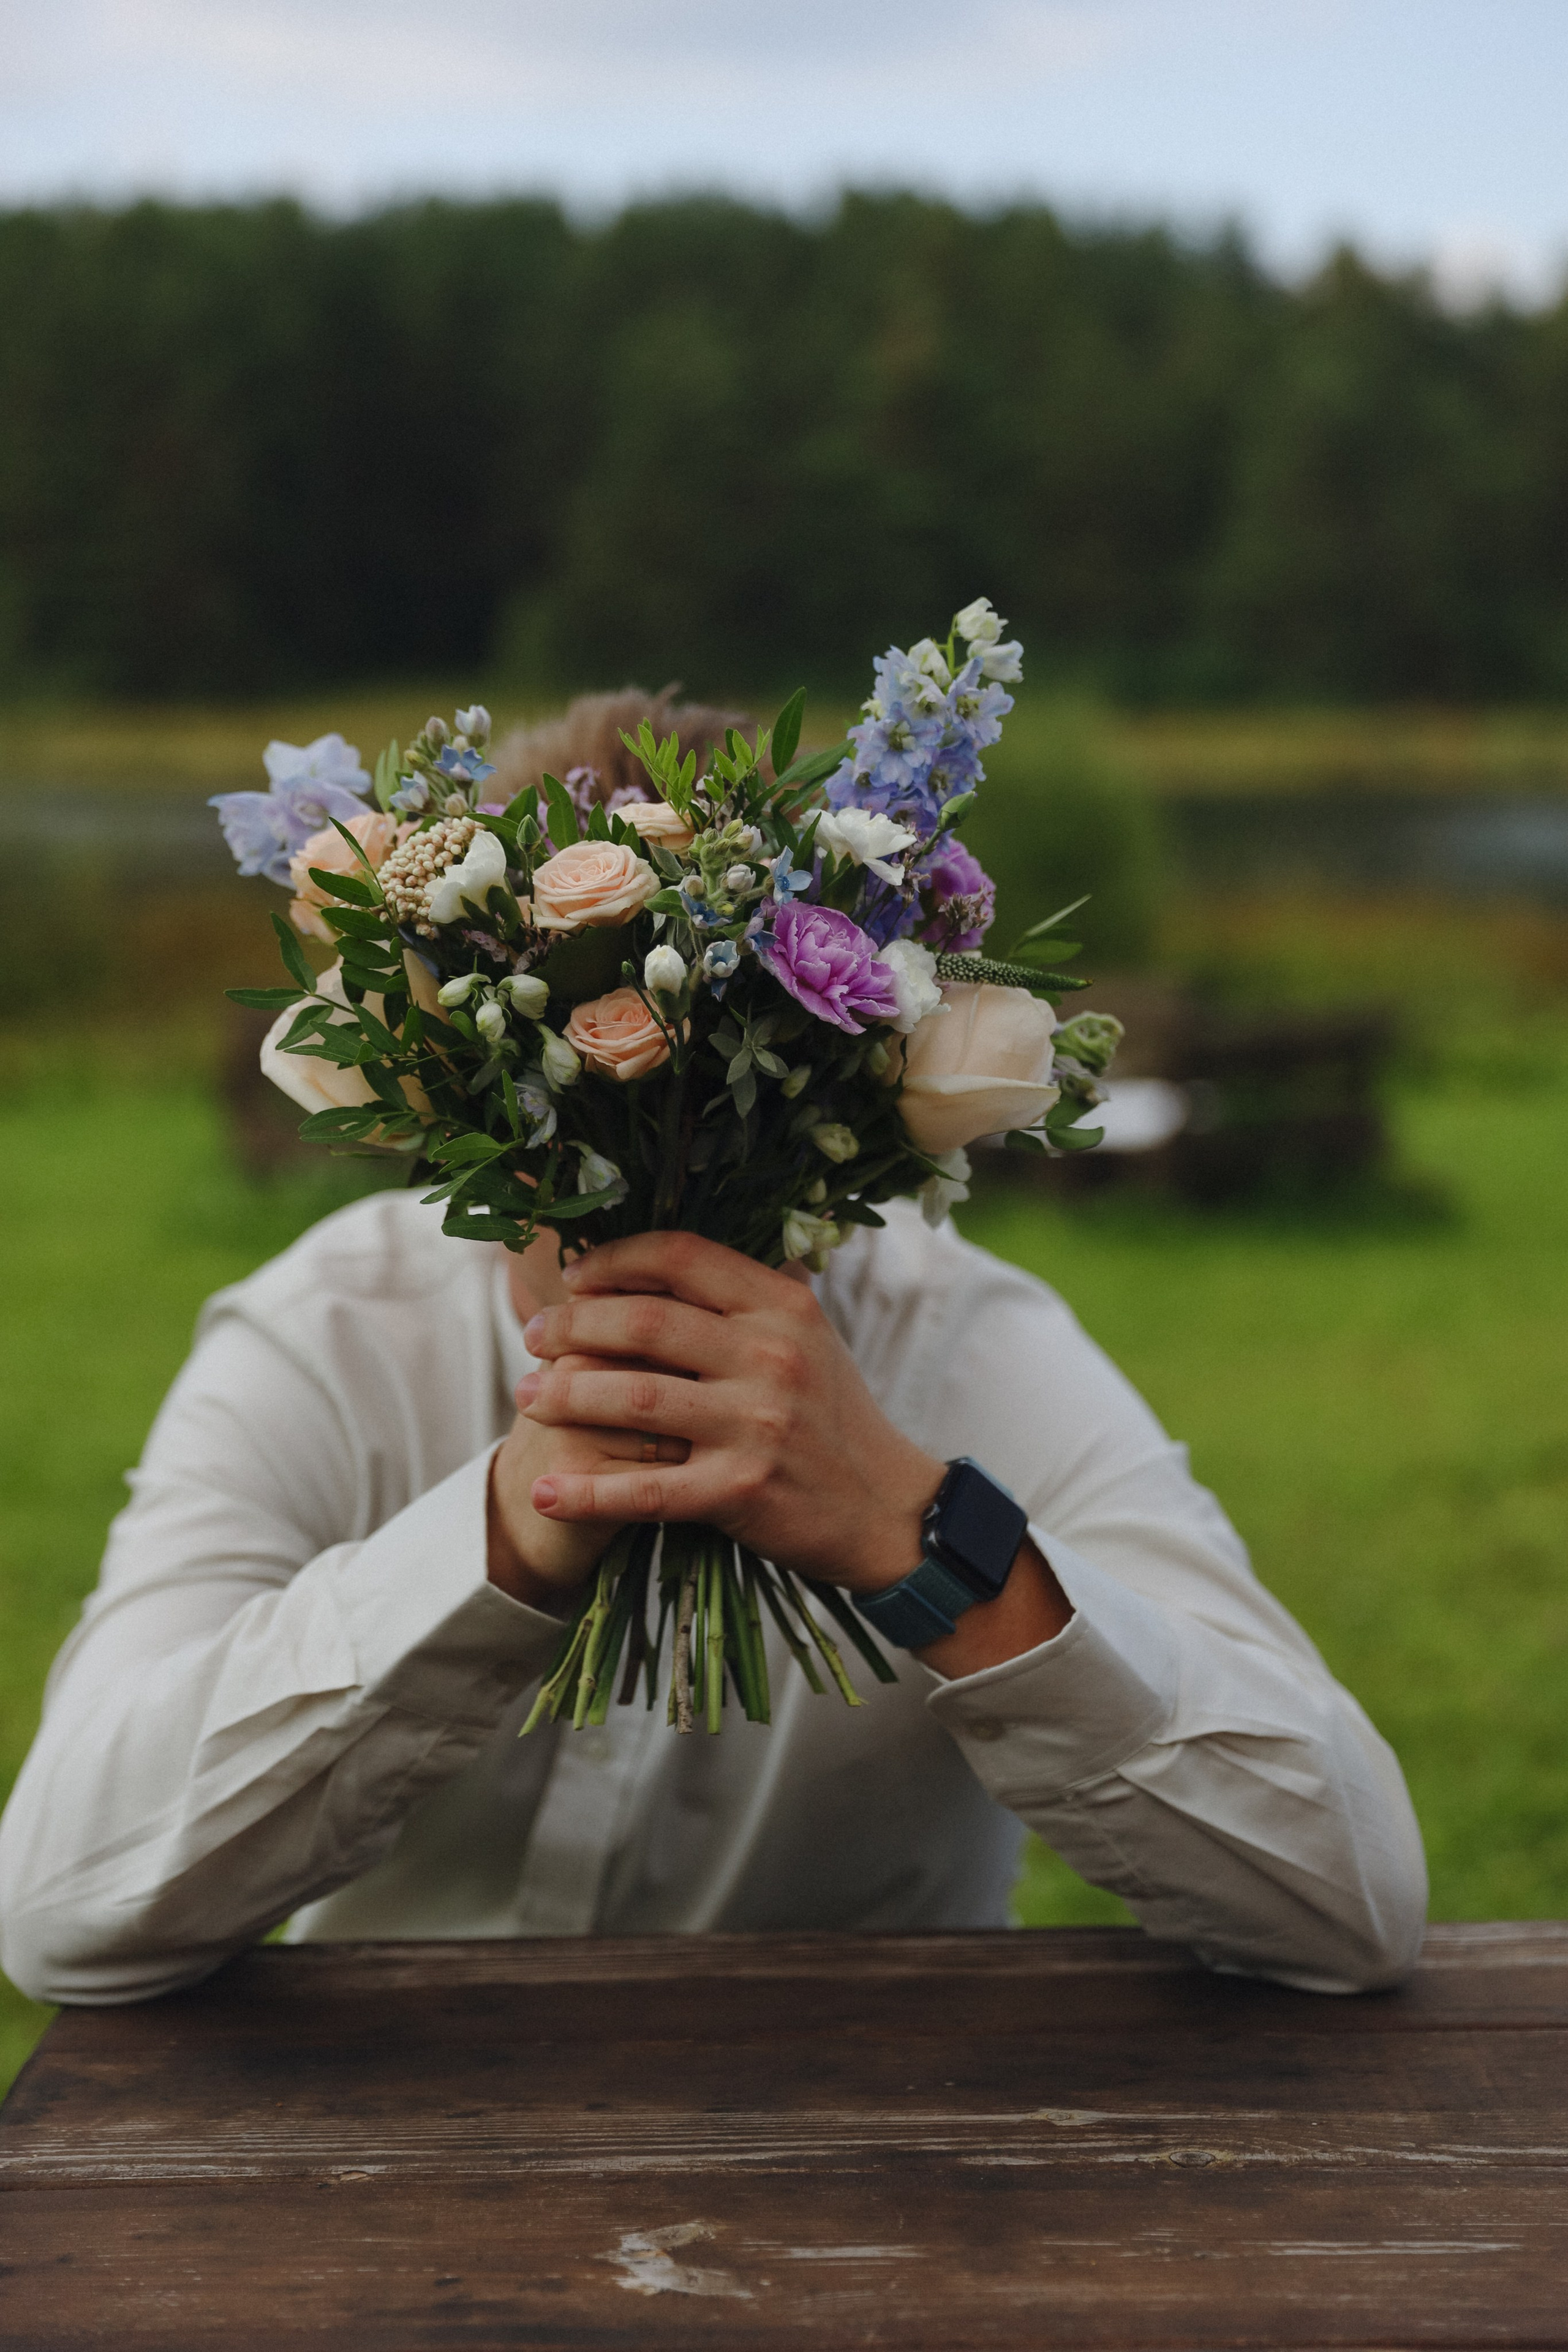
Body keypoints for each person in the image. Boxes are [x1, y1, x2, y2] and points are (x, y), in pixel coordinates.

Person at [0, 703, 1428, 2006]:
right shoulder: (325, 1341)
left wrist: (922, 1539)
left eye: (718, 1108)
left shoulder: (975, 1347)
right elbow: (62, 1902)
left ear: (853, 1088)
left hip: (873, 2156)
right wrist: (489, 1542)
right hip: (394, 2166)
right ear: (443, 1087)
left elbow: (1349, 1898)